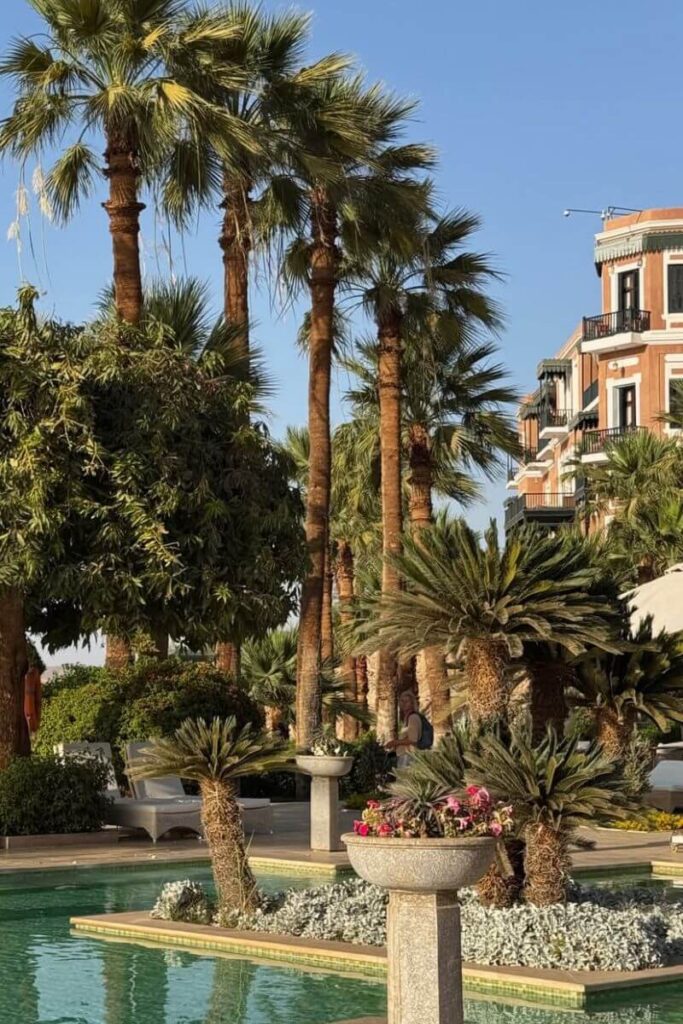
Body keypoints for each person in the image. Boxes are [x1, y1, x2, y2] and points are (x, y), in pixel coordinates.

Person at [385, 690, 433, 767]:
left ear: (412, 703)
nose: (404, 704)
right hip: (405, 755)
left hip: (408, 756)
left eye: (407, 701)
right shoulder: (407, 718)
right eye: (402, 701)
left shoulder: (413, 717)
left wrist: (394, 742)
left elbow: (413, 740)